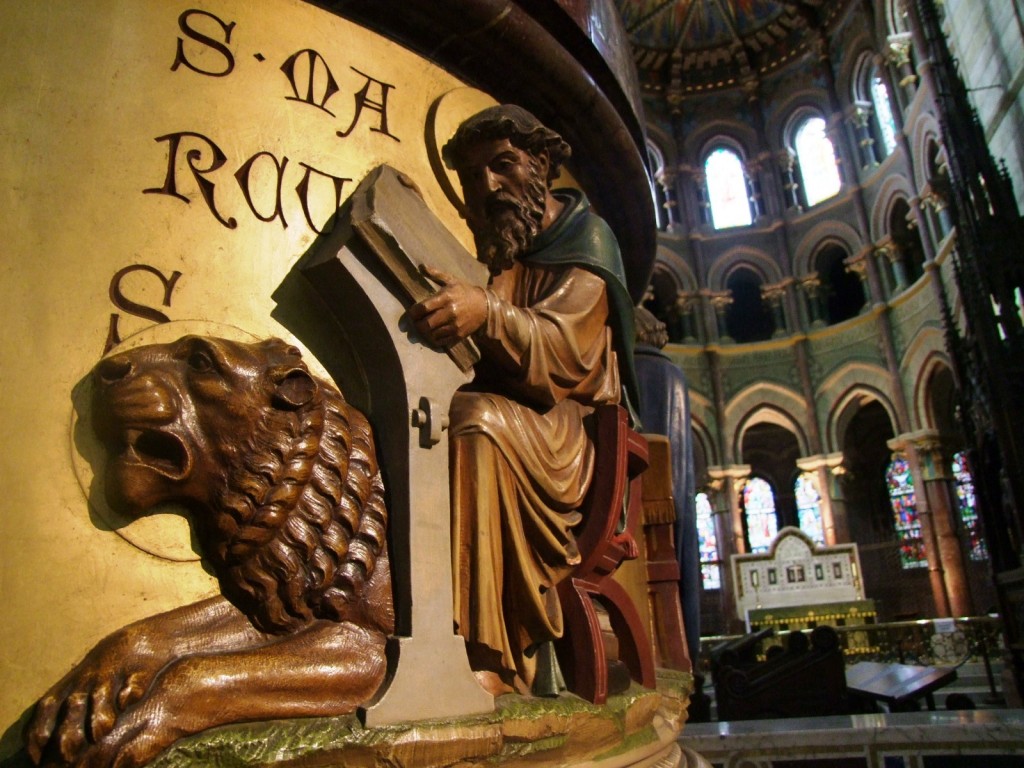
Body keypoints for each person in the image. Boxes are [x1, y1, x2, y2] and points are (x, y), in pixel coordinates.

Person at [408, 105, 638, 696]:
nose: (488, 187)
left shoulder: (588, 239)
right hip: (518, 415)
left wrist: (485, 312)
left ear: (540, 164)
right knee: (420, 420)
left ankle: (499, 656)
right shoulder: (502, 244)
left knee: (475, 424)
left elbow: (562, 355)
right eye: (473, 177)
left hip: (567, 431)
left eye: (503, 165)